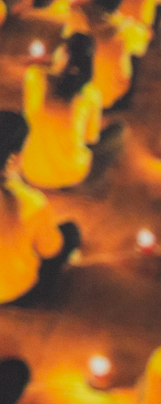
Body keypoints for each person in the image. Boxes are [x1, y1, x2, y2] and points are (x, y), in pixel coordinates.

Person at [0, 111, 79, 304]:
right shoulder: (31, 202)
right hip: (16, 292)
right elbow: (51, 251)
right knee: (70, 232)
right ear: (14, 158)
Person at [21, 33, 103, 190]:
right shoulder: (91, 94)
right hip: (71, 175)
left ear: (64, 54)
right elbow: (90, 138)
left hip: (32, 171)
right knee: (118, 131)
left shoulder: (34, 77)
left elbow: (28, 116)